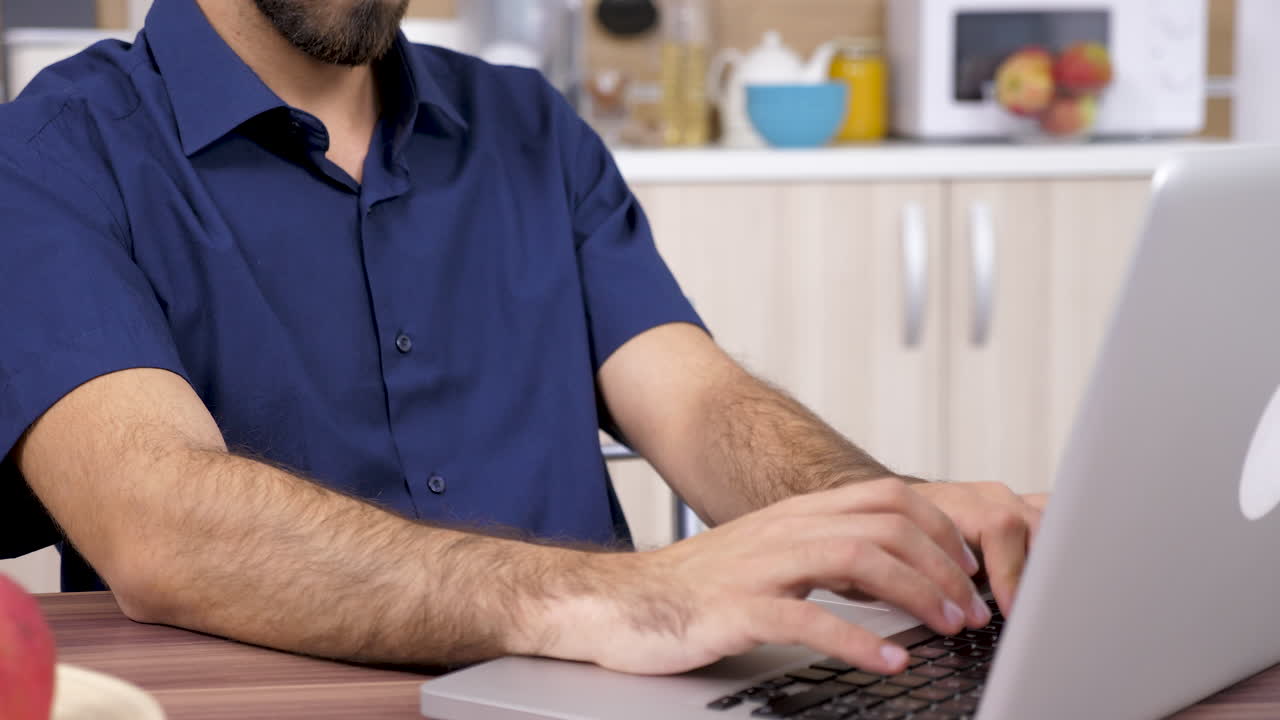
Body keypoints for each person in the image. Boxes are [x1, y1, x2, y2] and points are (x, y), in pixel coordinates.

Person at [0, 0, 1044, 676]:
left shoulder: (526, 125)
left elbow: (697, 401)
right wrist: (614, 596)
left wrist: (890, 525)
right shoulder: (54, 155)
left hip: (610, 698)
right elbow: (155, 522)